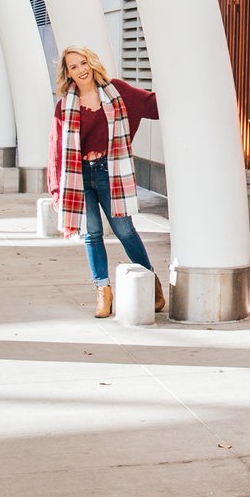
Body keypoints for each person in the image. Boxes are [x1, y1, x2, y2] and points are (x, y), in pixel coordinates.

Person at [47, 45, 166, 320]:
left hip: (109, 171)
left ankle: (150, 282)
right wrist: (56, 191)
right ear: (68, 74)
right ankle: (103, 290)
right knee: (92, 234)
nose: (81, 70)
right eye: (73, 66)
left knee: (125, 231)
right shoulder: (64, 106)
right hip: (79, 176)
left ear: (92, 63)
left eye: (83, 63)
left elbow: (154, 104)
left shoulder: (117, 92)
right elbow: (55, 150)